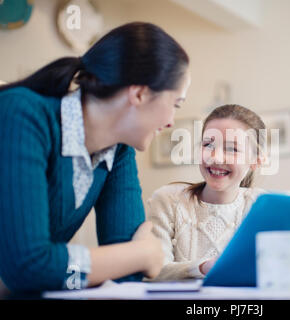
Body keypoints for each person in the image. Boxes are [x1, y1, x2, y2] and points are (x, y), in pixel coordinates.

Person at [0, 22, 191, 292]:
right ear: (139, 93)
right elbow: (27, 268)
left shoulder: (120, 150)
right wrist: (143, 254)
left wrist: (126, 260)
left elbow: (127, 277)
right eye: (175, 104)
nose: (172, 121)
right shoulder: (21, 114)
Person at [147, 104, 267, 280]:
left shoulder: (261, 205)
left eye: (232, 149)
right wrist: (203, 268)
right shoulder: (168, 200)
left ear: (255, 161)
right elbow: (152, 271)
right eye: (208, 144)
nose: (216, 157)